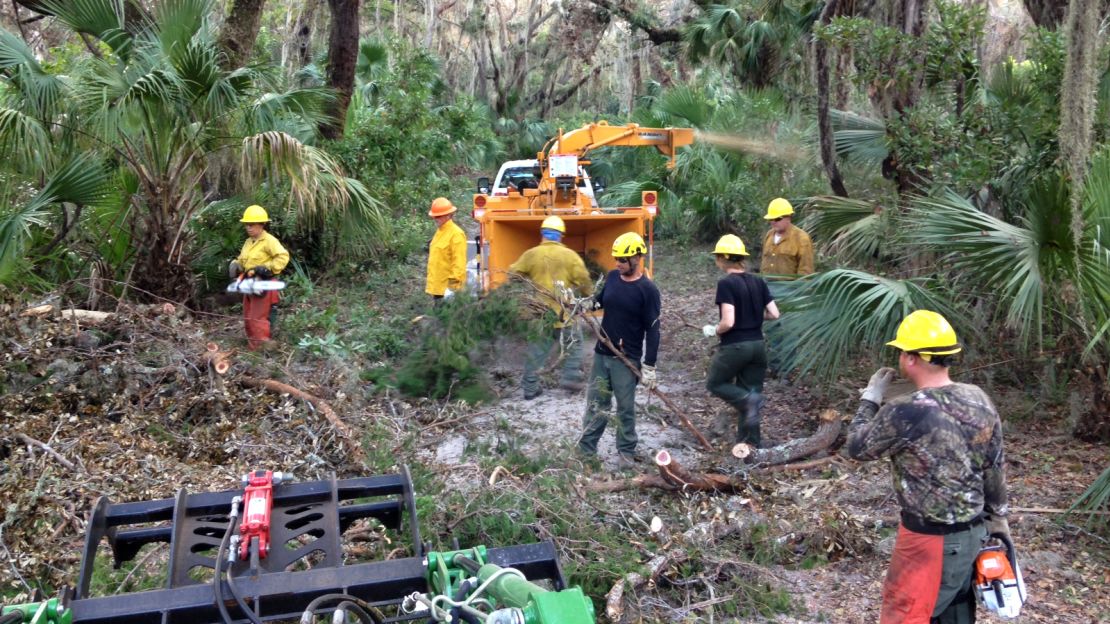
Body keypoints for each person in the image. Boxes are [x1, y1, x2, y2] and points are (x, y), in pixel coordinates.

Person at [846, 310, 1009, 624]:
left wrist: (870, 399)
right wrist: (998, 517)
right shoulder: (978, 398)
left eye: (901, 352)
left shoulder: (907, 409)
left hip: (929, 543)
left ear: (910, 358)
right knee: (954, 616)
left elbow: (856, 448)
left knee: (905, 616)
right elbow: (994, 465)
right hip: (972, 534)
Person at [577, 232, 661, 469]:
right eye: (616, 259)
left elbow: (653, 330)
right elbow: (601, 300)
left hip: (626, 359)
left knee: (625, 408)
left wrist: (649, 365)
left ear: (637, 257)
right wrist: (586, 304)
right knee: (596, 403)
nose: (618, 264)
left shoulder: (648, 290)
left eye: (623, 260)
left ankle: (626, 452)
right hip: (603, 352)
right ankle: (586, 450)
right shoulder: (613, 277)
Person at [702, 234, 780, 446]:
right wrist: (753, 315)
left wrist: (714, 330)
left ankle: (748, 401)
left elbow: (728, 321)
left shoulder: (726, 284)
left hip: (736, 347)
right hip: (757, 346)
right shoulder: (758, 281)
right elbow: (774, 314)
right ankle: (750, 446)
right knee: (751, 392)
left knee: (715, 383)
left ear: (721, 259)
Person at [510, 216, 593, 400]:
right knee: (575, 344)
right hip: (565, 313)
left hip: (540, 313)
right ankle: (570, 378)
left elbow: (513, 274)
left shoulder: (531, 254)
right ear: (561, 235)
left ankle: (530, 389)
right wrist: (587, 297)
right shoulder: (570, 256)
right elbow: (584, 281)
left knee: (537, 350)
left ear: (542, 234)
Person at [230, 205, 289, 351]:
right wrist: (235, 264)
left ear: (261, 224)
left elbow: (283, 256)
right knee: (248, 316)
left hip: (264, 283)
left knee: (258, 318)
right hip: (249, 284)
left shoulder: (269, 241)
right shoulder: (248, 242)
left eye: (251, 225)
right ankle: (253, 346)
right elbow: (243, 260)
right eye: (246, 225)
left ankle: (262, 348)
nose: (248, 228)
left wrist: (267, 267)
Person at [425, 197, 467, 301]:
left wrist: (452, 289)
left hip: (448, 291)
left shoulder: (456, 234)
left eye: (438, 216)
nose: (435, 219)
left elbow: (459, 264)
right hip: (438, 289)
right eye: (434, 216)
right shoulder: (439, 232)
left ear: (448, 215)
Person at [760, 197, 814, 277]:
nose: (773, 222)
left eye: (777, 219)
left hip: (789, 287)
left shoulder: (801, 238)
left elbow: (806, 270)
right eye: (771, 219)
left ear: (788, 217)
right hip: (766, 285)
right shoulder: (769, 235)